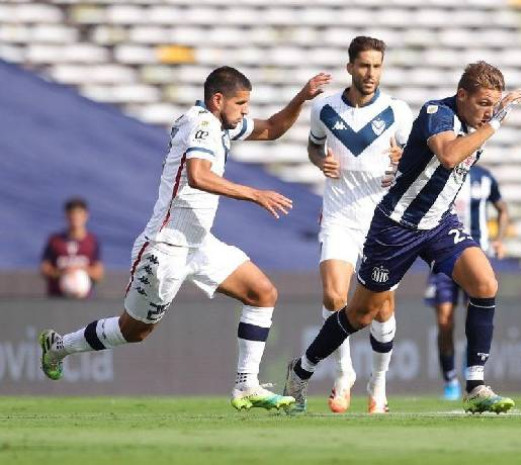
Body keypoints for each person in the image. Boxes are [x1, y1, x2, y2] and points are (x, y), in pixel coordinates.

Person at [39, 66, 330, 411]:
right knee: (135, 331)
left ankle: (245, 386)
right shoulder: (202, 124)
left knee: (262, 293)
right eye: (240, 103)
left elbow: (272, 129)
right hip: (167, 245)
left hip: (199, 242)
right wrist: (253, 193)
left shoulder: (220, 124)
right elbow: (197, 175)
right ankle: (60, 346)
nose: (245, 111)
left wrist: (302, 96)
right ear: (217, 99)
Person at [284, 61, 521, 414]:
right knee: (360, 315)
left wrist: (487, 121)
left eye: (493, 105)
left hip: (439, 225)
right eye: (483, 103)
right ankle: (301, 369)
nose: (488, 112)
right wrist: (497, 122)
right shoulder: (436, 113)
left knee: (485, 284)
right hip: (396, 227)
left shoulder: (475, 124)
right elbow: (448, 155)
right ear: (462, 95)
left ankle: (475, 385)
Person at [307, 36, 413, 414]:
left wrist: (405, 159)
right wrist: (321, 161)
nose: (371, 74)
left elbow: (418, 160)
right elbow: (314, 146)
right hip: (338, 216)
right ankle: (343, 373)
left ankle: (378, 382)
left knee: (381, 310)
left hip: (382, 222)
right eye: (364, 66)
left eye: (377, 66)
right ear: (350, 66)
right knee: (335, 297)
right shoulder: (323, 107)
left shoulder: (397, 111)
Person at [423, 164, 509, 400]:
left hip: (476, 256)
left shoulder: (484, 177)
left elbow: (502, 209)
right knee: (444, 321)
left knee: (476, 311)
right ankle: (450, 379)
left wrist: (499, 240)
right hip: (443, 253)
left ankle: (471, 368)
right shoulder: (441, 170)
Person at [40, 197, 104, 298]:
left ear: (85, 216)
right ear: (66, 216)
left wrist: (82, 270)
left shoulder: (92, 241)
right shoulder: (55, 240)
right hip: (57, 298)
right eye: (72, 215)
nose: (75, 218)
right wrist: (63, 272)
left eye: (79, 214)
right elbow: (45, 270)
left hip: (85, 300)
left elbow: (98, 274)